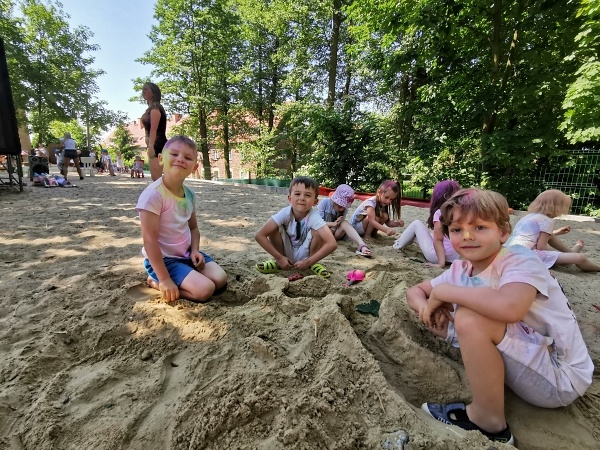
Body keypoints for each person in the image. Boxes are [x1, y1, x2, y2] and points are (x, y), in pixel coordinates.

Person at [406, 188, 593, 446]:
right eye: (457, 229)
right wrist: (427, 309)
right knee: (454, 319)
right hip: (532, 359)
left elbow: (510, 308)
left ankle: (489, 422)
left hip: (560, 376)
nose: (467, 236)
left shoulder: (521, 259)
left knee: (470, 316)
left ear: (504, 232)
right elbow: (415, 291)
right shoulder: (461, 269)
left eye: (480, 227)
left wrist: (445, 293)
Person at [135, 135, 227, 303]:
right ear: (162, 159)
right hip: (164, 260)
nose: (180, 159)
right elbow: (150, 241)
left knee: (220, 279)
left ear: (194, 167)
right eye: (175, 154)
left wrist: (195, 250)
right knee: (205, 290)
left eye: (187, 157)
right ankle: (155, 282)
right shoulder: (153, 195)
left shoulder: (189, 194)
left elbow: (193, 228)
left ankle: (184, 276)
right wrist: (164, 280)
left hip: (186, 254)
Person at [255, 176, 337, 278]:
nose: (302, 198)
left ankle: (312, 265)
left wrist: (308, 261)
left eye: (307, 195)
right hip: (285, 252)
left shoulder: (314, 217)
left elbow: (332, 244)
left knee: (317, 231)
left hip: (306, 255)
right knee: (275, 228)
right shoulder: (285, 213)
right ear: (289, 198)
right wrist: (279, 257)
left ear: (315, 202)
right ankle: (279, 263)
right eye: (297, 194)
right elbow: (260, 236)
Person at [505, 189, 600, 272]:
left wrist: (557, 232)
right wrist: (555, 253)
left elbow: (533, 236)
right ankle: (595, 266)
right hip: (527, 254)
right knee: (580, 258)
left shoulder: (529, 217)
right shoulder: (547, 220)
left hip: (510, 250)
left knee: (560, 253)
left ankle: (570, 252)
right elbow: (541, 247)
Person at [393, 180, 461, 267]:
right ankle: (402, 240)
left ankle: (396, 245)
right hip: (453, 258)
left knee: (416, 224)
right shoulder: (459, 212)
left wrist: (441, 264)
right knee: (419, 236)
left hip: (438, 257)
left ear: (443, 196)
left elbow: (438, 240)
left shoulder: (440, 213)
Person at [317, 184, 372, 257]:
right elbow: (317, 223)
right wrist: (333, 224)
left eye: (344, 207)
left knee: (344, 223)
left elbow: (338, 224)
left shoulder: (344, 209)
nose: (342, 209)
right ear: (334, 201)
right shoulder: (324, 203)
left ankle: (362, 245)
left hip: (334, 234)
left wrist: (333, 228)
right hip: (322, 233)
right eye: (340, 206)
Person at [142, 82, 168, 181]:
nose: (143, 91)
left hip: (157, 144)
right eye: (142, 89)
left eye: (146, 89)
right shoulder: (151, 108)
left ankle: (164, 196)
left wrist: (151, 146)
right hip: (154, 144)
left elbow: (154, 128)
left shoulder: (155, 108)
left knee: (156, 177)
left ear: (154, 93)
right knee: (155, 177)